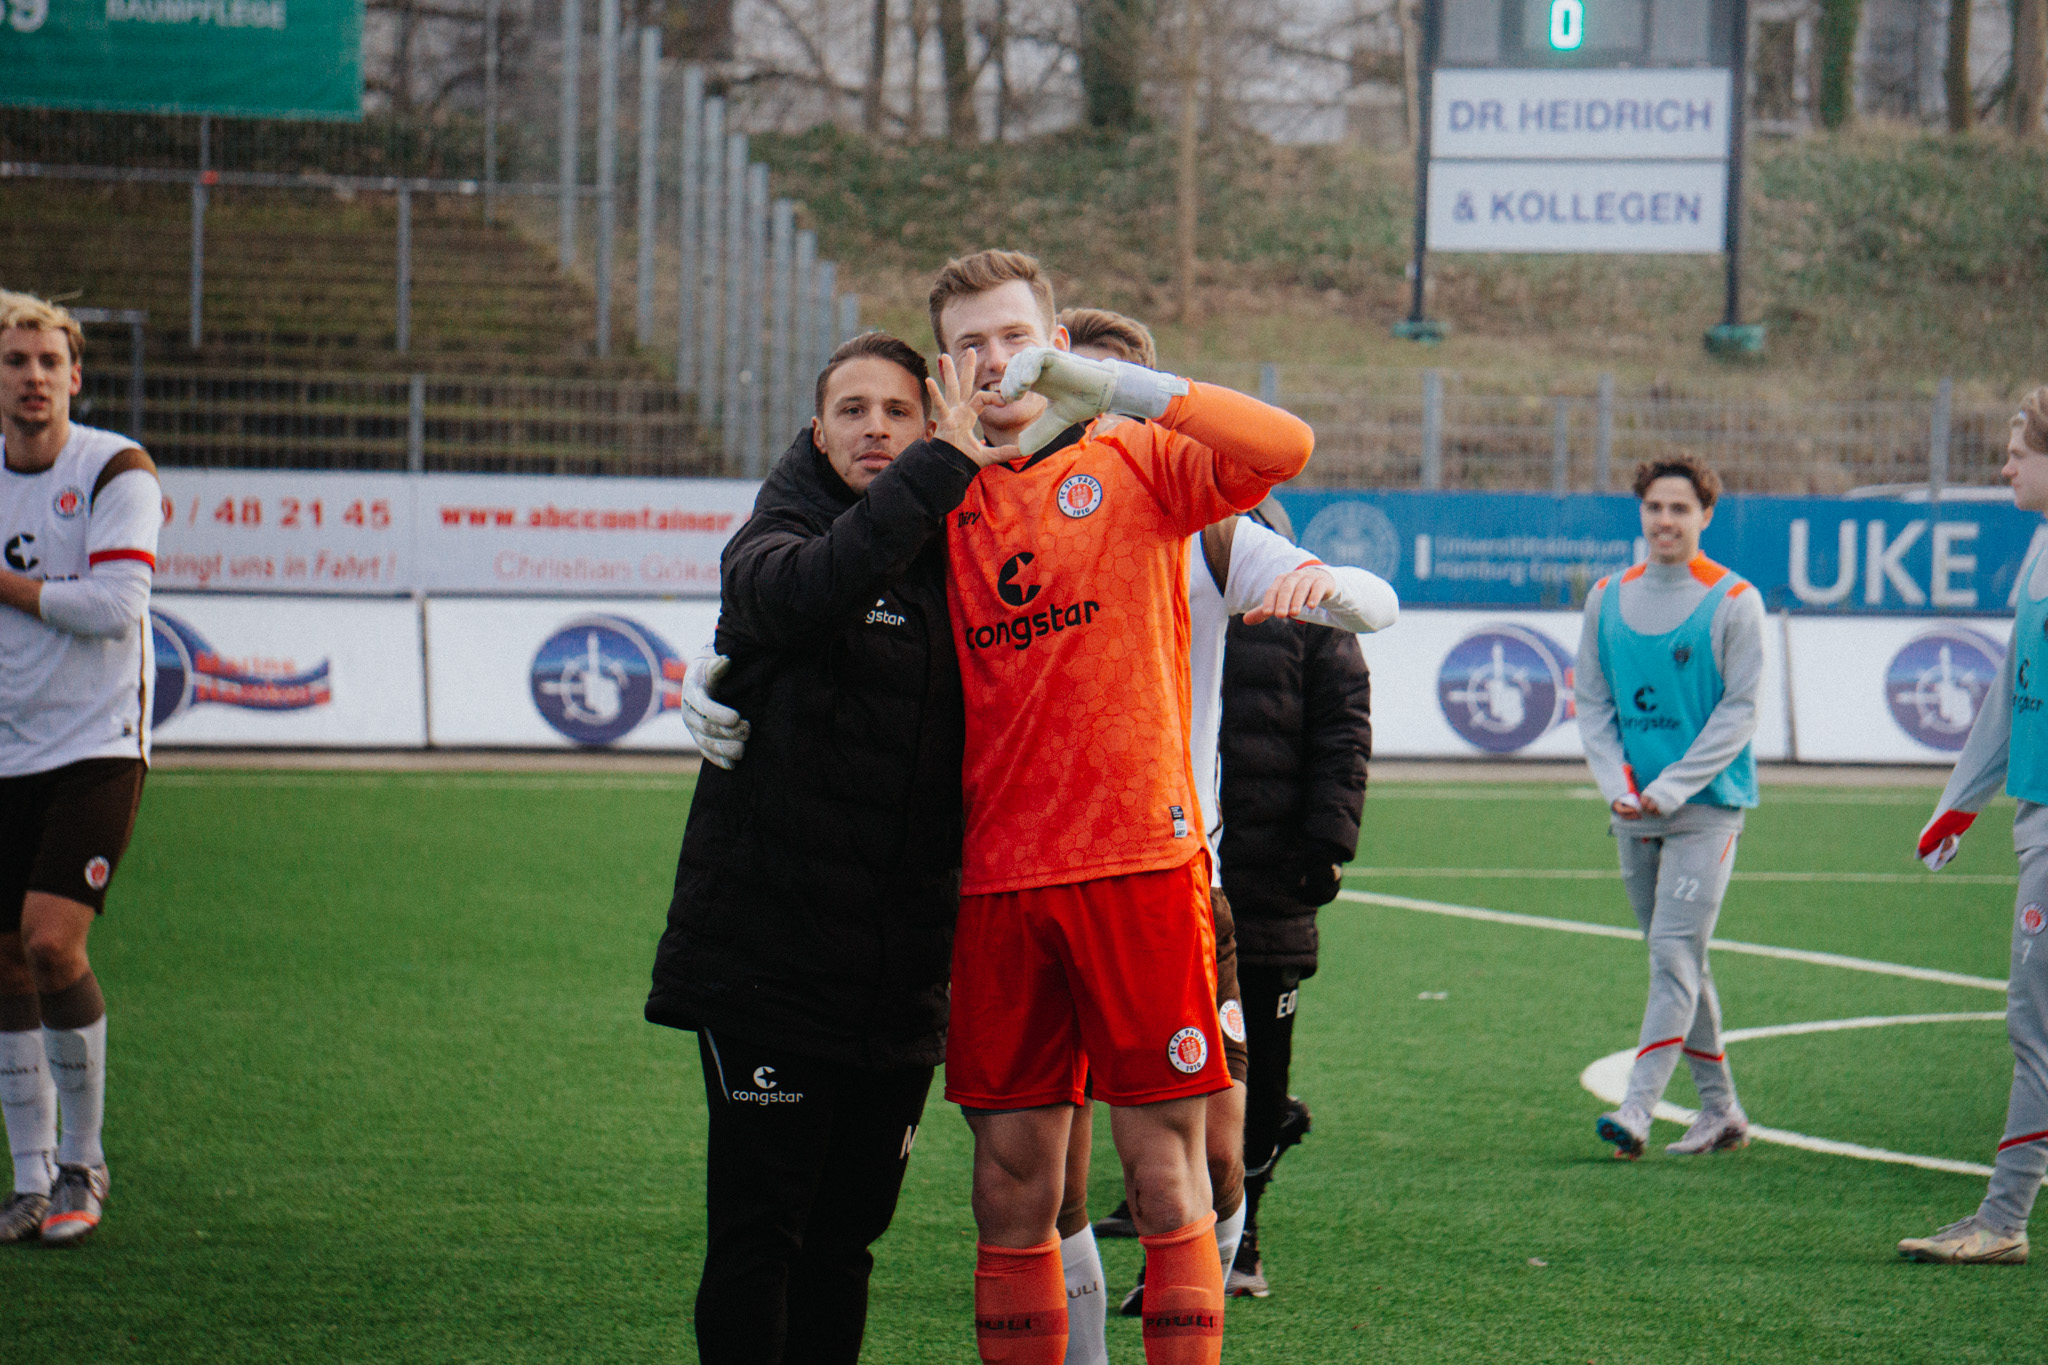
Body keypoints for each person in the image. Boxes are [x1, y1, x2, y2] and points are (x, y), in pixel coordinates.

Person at [929, 250, 1311, 1365]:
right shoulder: (935, 497)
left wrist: (1128, 388)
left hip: (1140, 867)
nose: (995, 360)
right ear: (947, 367)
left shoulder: (1135, 458)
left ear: (1049, 339)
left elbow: (1283, 446)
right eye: (969, 344)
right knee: (1010, 1192)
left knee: (1162, 1175)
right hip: (993, 885)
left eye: (1014, 335)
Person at [645, 332, 1009, 1363]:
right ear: (817, 430)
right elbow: (804, 593)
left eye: (898, 411)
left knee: (847, 1241)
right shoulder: (777, 533)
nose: (876, 430)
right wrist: (940, 463)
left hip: (895, 978)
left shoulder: (965, 550)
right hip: (767, 966)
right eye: (853, 411)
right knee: (762, 1234)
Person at [1045, 309, 1390, 1343]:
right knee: (1081, 1129)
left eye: (1117, 391)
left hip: (1224, 886)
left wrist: (1318, 853)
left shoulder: (1225, 540)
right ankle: (1131, 1270)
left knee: (1226, 1122)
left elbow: (1347, 681)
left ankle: (1233, 1243)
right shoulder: (1030, 525)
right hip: (1083, 879)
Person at [0, 291, 162, 1246]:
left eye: (47, 362)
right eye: (15, 362)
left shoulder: (116, 468)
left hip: (95, 743)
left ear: (75, 376)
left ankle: (81, 1160)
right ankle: (26, 1176)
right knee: (3, 956)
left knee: (52, 943)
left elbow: (113, 604)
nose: (31, 379)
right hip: (5, 743)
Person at [1573, 452, 1764, 1161]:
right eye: (1655, 506)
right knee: (1681, 962)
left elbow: (1740, 711)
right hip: (1633, 811)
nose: (1666, 520)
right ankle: (1721, 1111)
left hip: (1706, 808)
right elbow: (1592, 702)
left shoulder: (1735, 600)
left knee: (1672, 953)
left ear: (1705, 516)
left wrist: (1674, 785)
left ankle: (1638, 1107)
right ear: (1640, 511)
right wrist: (1616, 785)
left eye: (1681, 508)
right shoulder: (1607, 597)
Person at [1209, 492, 1374, 1297]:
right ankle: (1183, 1217)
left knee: (1260, 1069)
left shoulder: (1311, 614)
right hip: (1181, 871)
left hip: (1269, 884)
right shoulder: (1174, 596)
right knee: (1176, 1060)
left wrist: (1327, 845)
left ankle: (1245, 1239)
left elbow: (1345, 727)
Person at [1901, 385, 2048, 1266]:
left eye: (2020, 449)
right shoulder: (2039, 550)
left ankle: (2003, 1220)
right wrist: (1964, 796)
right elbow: (2009, 691)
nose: (2004, 465)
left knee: (2036, 1028)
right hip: (2035, 817)